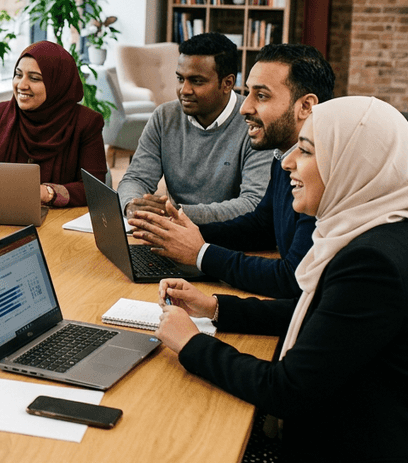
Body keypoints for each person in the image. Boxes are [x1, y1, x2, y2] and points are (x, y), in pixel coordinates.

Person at [156, 96, 408, 463]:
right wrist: (217, 307)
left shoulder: (374, 264)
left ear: (353, 164)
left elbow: (286, 390)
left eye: (305, 150)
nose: (287, 161)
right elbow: (325, 319)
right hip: (373, 437)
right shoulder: (378, 233)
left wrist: (190, 344)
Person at [129, 44, 334, 298]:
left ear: (306, 106)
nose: (244, 108)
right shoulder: (285, 154)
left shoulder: (325, 172)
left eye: (261, 96)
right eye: (248, 93)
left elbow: (292, 278)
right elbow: (261, 225)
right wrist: (181, 234)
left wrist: (202, 254)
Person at [116, 32, 270, 225]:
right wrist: (132, 205)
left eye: (197, 81)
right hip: (174, 231)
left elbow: (252, 203)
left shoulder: (254, 122)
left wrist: (176, 212)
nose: (184, 90)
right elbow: (136, 178)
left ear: (227, 83)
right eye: (181, 79)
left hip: (230, 240)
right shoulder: (164, 117)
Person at [0, 41, 106, 206]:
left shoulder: (86, 123)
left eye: (34, 78)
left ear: (57, 83)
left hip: (59, 223)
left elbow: (95, 189)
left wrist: (48, 193)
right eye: (18, 75)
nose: (22, 85)